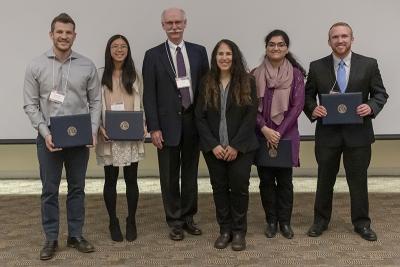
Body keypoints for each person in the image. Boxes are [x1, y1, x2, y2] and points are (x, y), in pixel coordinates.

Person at [23, 13, 101, 260]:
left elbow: (95, 101)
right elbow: (30, 105)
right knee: (49, 190)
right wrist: (45, 134)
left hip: (79, 140)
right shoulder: (36, 65)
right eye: (60, 32)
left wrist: (92, 130)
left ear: (74, 36)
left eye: (68, 33)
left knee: (77, 188)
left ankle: (76, 235)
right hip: (49, 140)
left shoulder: (87, 65)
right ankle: (51, 238)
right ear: (51, 34)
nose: (64, 36)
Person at [303, 22, 388, 241]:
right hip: (327, 136)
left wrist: (371, 106)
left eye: (344, 36)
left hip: (358, 136)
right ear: (329, 41)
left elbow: (380, 94)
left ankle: (362, 224)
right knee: (324, 180)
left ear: (352, 38)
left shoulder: (369, 64)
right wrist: (314, 109)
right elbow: (307, 97)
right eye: (335, 37)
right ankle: (320, 221)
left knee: (358, 181)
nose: (340, 40)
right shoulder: (317, 66)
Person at [142, 7, 209, 241]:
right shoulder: (153, 55)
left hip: (193, 121)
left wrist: (206, 124)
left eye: (178, 22)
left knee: (190, 173)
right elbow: (149, 94)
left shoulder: (199, 52)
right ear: (163, 26)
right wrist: (153, 128)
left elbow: (206, 91)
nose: (174, 27)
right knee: (169, 176)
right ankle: (174, 221)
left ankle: (189, 217)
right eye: (169, 23)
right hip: (166, 125)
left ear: (185, 23)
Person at [195, 39, 259, 251]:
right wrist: (213, 145)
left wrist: (236, 146)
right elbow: (199, 118)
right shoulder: (205, 82)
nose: (224, 58)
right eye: (220, 54)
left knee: (239, 188)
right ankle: (225, 230)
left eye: (228, 54)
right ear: (215, 58)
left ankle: (239, 232)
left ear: (235, 57)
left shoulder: (247, 81)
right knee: (219, 188)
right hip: (214, 149)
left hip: (241, 148)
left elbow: (250, 117)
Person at [253, 30, 306, 239]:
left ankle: (285, 222)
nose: (276, 48)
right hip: (261, 134)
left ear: (286, 48)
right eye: (272, 44)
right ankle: (271, 221)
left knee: (285, 182)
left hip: (286, 136)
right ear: (266, 47)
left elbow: (298, 106)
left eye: (281, 44)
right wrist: (265, 129)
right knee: (265, 181)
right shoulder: (254, 74)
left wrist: (278, 132)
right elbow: (250, 107)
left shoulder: (296, 74)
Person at [95, 34, 145, 242]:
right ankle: (112, 221)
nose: (119, 49)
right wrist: (98, 127)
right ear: (109, 50)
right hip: (109, 135)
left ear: (128, 50)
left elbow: (141, 104)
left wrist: (143, 123)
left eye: (123, 46)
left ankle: (131, 220)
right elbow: (93, 104)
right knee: (111, 180)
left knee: (132, 180)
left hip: (130, 135)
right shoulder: (100, 75)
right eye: (115, 46)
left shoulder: (135, 75)